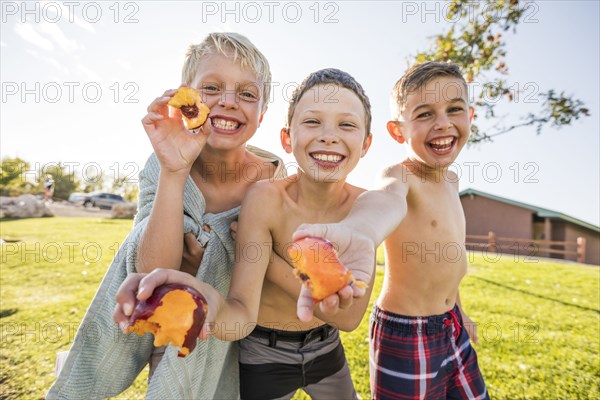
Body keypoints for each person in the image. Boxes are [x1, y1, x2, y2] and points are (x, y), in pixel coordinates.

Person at [47, 32, 291, 400]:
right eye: (211, 88)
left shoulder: (275, 179)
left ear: (263, 113)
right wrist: (173, 171)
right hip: (163, 312)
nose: (228, 102)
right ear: (184, 97)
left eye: (246, 94)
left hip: (231, 331)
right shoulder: (162, 161)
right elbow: (146, 270)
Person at [114, 68, 376, 400]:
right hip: (263, 353)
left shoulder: (366, 207)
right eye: (312, 122)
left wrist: (267, 259)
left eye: (347, 124)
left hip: (326, 347)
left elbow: (349, 318)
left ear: (366, 144)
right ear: (287, 139)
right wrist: (203, 296)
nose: (328, 135)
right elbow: (239, 316)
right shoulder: (265, 198)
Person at [293, 62, 489, 399]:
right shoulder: (401, 175)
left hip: (451, 324)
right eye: (425, 114)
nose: (442, 123)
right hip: (405, 331)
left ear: (469, 116)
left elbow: (446, 259)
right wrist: (362, 231)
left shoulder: (453, 182)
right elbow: (384, 200)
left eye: (454, 109)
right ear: (398, 131)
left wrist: (459, 308)